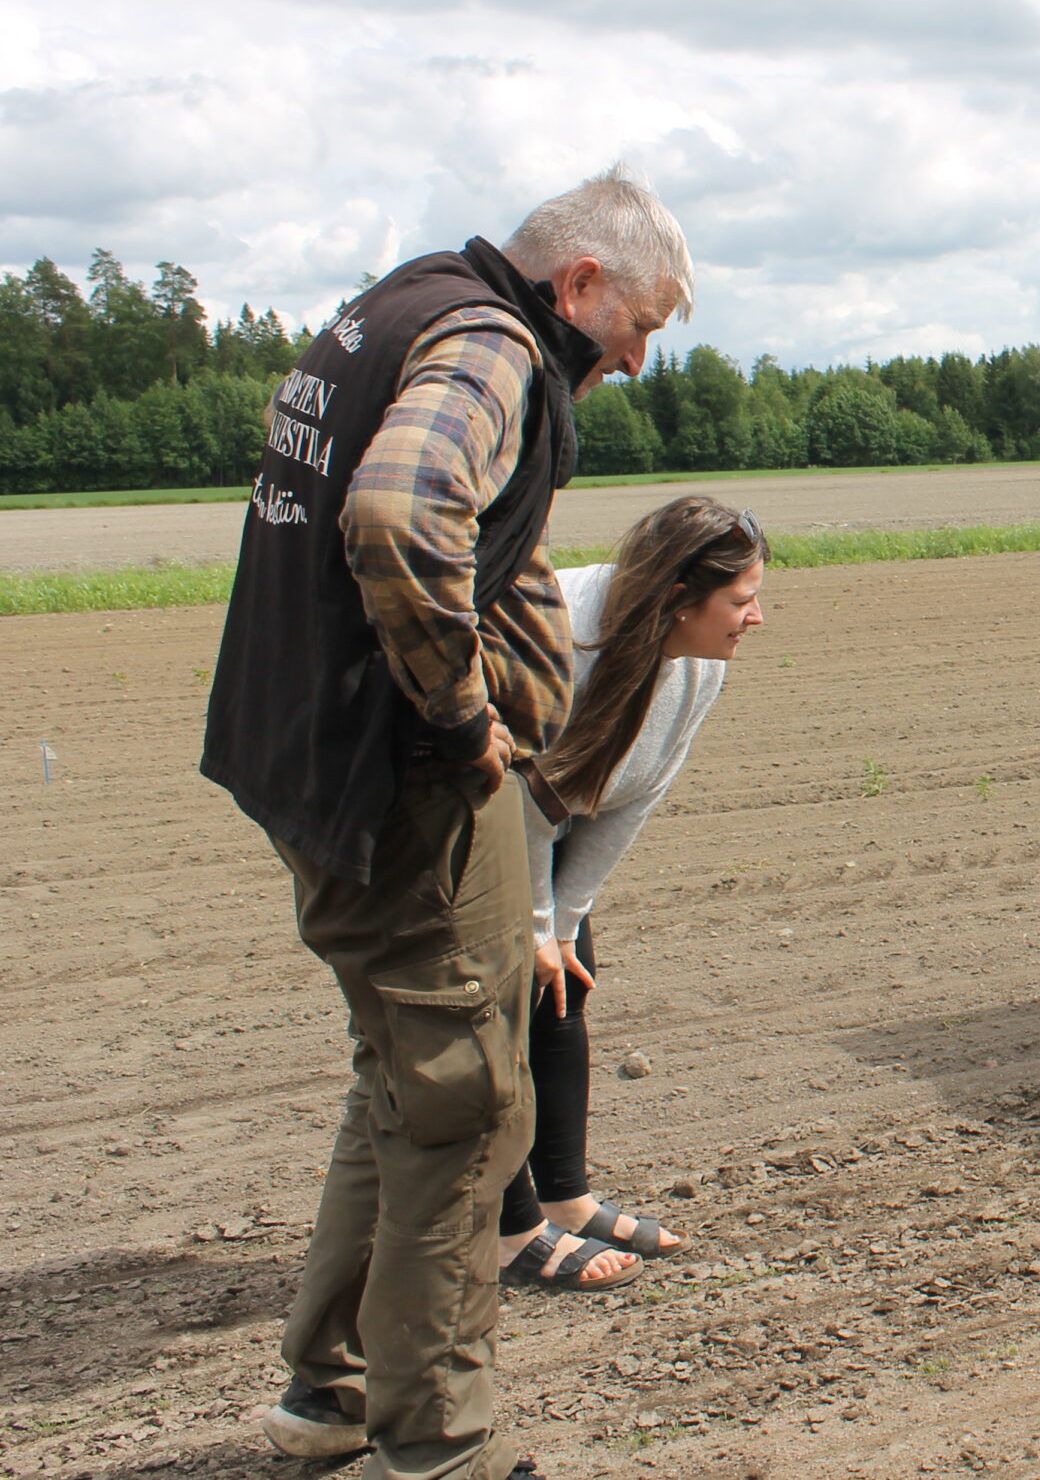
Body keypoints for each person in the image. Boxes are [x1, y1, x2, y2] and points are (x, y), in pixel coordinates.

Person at [199, 166, 693, 1480]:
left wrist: (524, 663)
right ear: (577, 284)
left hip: (302, 758)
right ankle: (440, 1448)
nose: (638, 360)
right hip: (398, 786)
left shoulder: (396, 306)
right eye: (639, 325)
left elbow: (480, 530)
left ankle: (331, 1391)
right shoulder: (490, 341)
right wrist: (470, 718)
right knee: (472, 1105)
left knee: (401, 1078)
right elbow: (405, 510)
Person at [496, 497, 768, 1289]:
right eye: (742, 600)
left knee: (567, 982)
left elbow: (637, 788)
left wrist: (565, 921)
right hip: (473, 817)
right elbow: (526, 793)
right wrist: (534, 929)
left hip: (541, 816)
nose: (757, 617)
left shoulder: (700, 662)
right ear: (679, 598)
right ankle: (510, 1225)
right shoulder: (562, 639)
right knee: (506, 1006)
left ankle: (565, 1197)